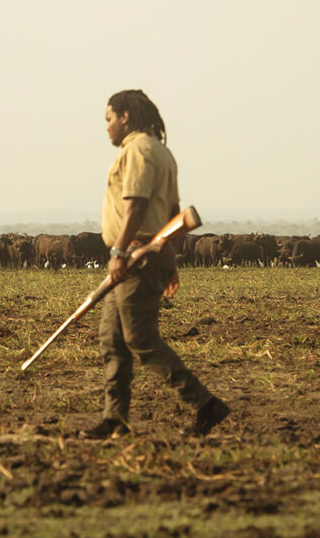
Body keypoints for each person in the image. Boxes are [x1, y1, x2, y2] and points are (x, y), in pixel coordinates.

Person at [84, 89, 230, 439]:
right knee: (112, 338)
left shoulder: (137, 151)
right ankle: (114, 418)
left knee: (139, 337)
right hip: (149, 254)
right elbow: (172, 214)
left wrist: (119, 253)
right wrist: (170, 259)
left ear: (125, 117)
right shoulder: (162, 152)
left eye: (109, 119)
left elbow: (137, 205)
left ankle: (205, 404)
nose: (106, 128)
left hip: (136, 256)